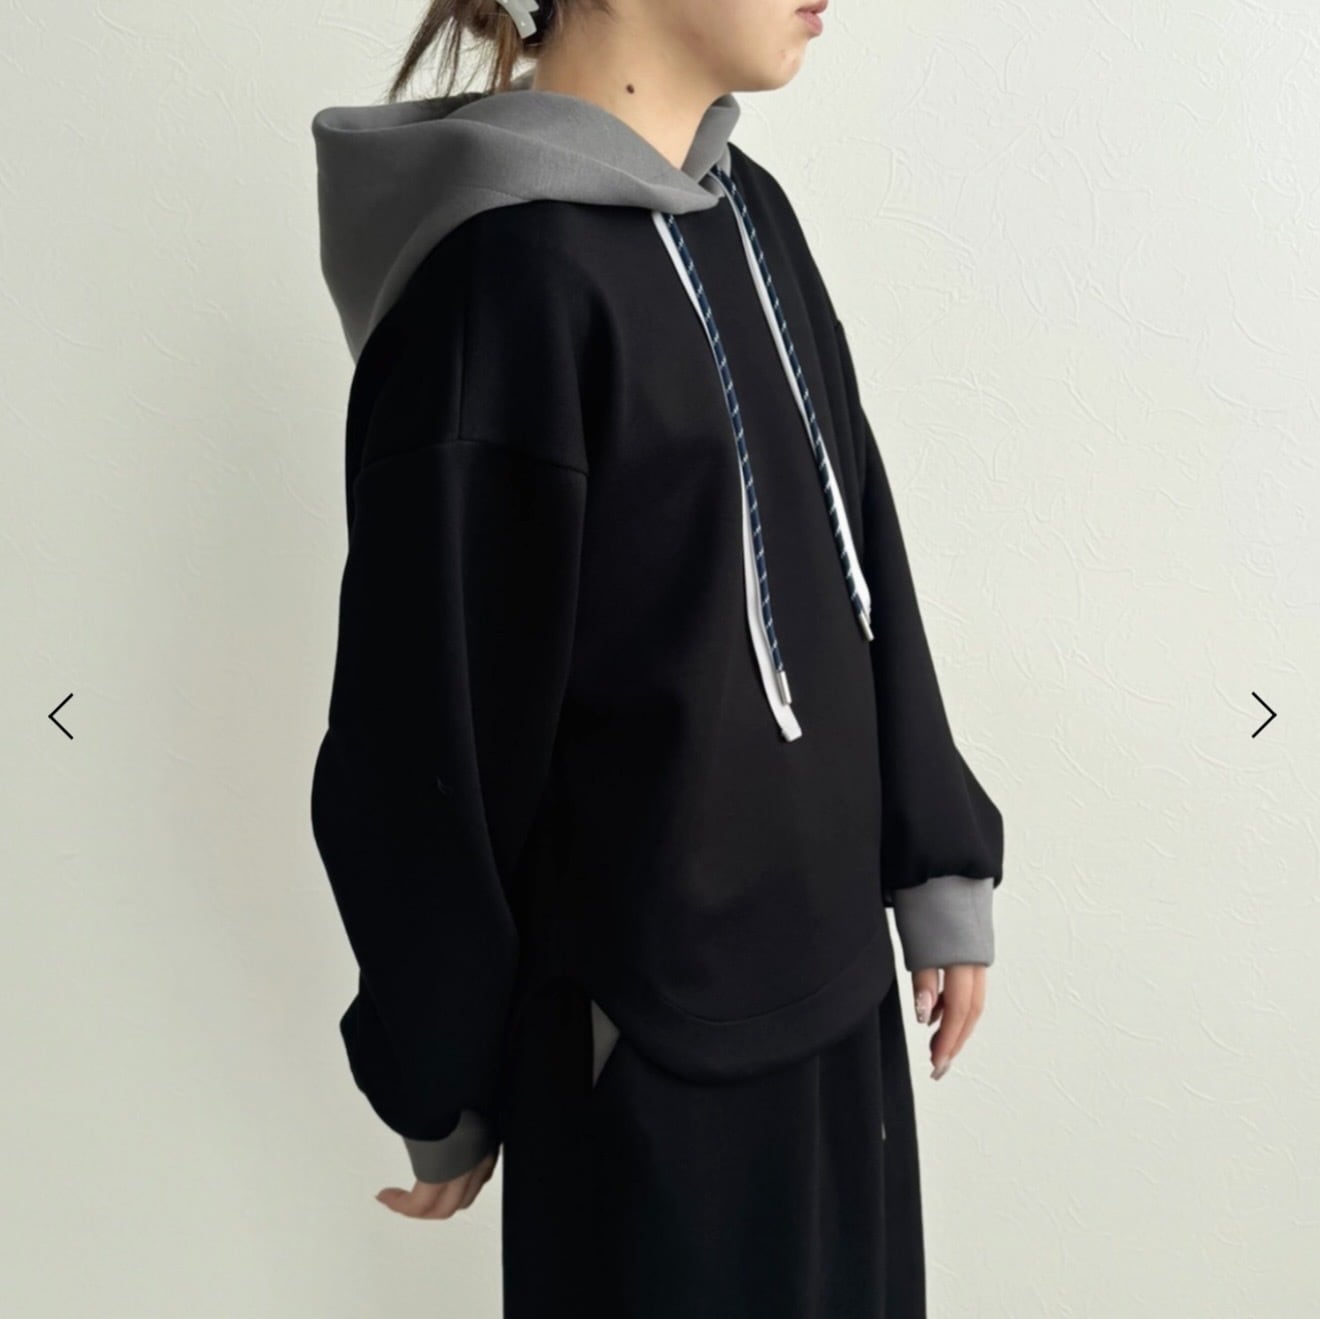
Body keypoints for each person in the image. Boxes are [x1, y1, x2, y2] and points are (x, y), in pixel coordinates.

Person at [308, 0, 1005, 1314]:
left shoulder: (753, 216)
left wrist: (935, 856)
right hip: (640, 1054)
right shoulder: (501, 286)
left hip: (838, 1008)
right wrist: (437, 1071)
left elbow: (855, 541)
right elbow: (423, 723)